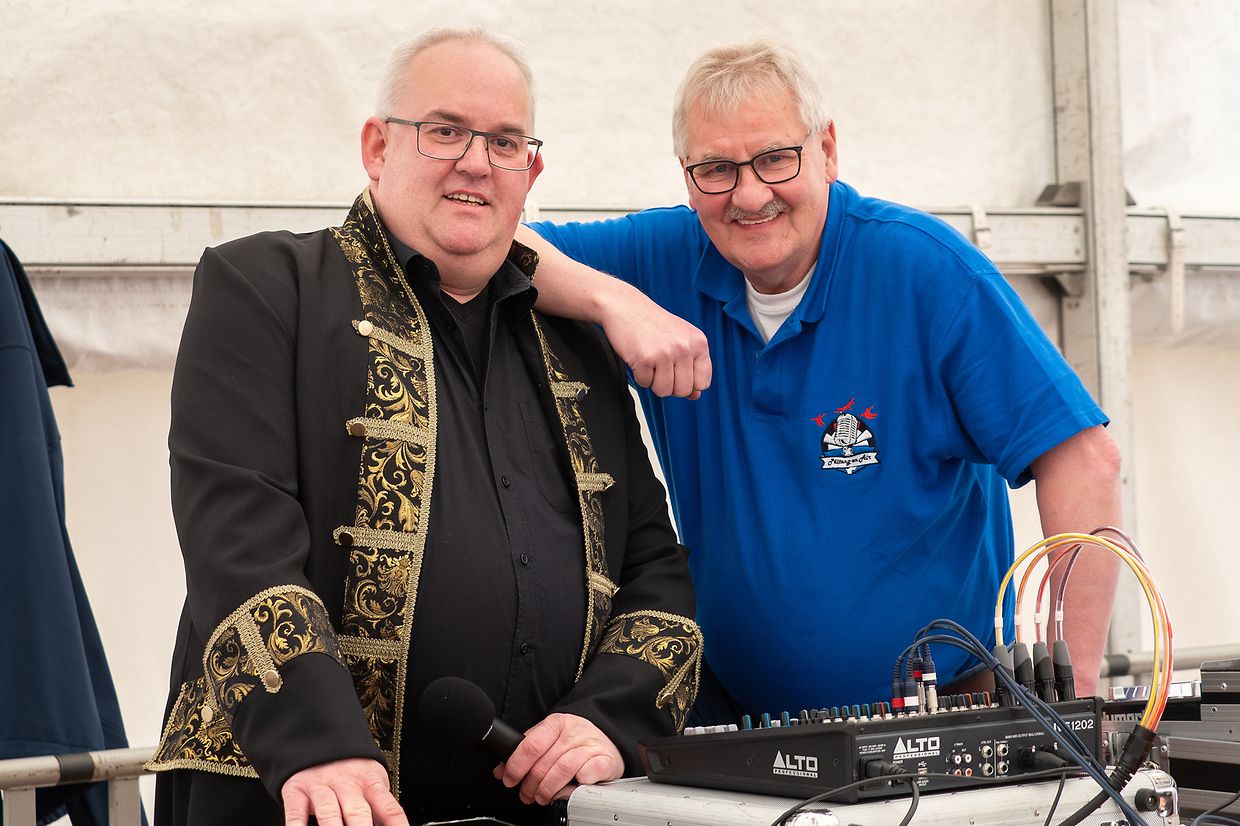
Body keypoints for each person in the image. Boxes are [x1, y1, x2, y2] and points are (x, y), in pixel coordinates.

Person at [146, 28, 701, 826]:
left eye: (505, 141)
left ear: (530, 171)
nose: (476, 162)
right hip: (297, 797)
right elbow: (235, 540)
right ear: (377, 147)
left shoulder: (577, 344)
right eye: (444, 130)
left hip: (540, 810)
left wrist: (606, 719)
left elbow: (655, 571)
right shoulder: (265, 286)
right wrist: (317, 742)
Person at [517, 38, 1121, 719]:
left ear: (828, 150)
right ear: (685, 177)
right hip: (735, 720)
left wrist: (1078, 704)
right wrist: (614, 302)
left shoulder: (923, 272)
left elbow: (1084, 459)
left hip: (943, 719)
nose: (749, 194)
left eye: (776, 159)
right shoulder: (659, 259)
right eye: (715, 168)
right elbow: (491, 241)